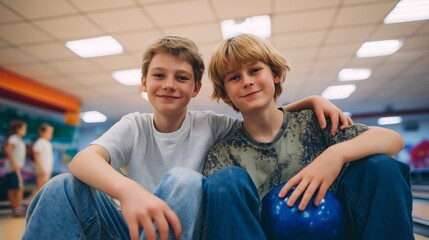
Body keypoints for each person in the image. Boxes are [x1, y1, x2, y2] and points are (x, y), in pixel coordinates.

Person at [24, 36, 351, 240]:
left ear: (195, 89)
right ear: (144, 83)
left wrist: (310, 103)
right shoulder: (134, 125)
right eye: (159, 76)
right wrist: (129, 191)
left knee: (185, 180)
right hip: (130, 230)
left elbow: (259, 114)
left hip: (181, 230)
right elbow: (83, 160)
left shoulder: (210, 124)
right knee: (60, 186)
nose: (169, 84)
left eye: (181, 78)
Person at [203, 33, 413, 240]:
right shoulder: (223, 154)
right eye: (234, 77)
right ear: (224, 94)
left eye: (254, 70)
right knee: (223, 180)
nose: (247, 81)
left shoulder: (315, 123)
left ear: (275, 74)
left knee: (381, 166)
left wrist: (336, 154)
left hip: (337, 232)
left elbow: (393, 140)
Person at [3, 120, 27, 217]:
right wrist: (14, 164)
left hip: (15, 168)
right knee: (17, 188)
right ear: (18, 129)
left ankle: (16, 209)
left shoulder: (18, 139)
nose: (25, 130)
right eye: (24, 128)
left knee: (16, 188)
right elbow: (8, 150)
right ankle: (17, 209)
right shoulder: (13, 138)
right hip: (12, 168)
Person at [27, 123, 54, 203]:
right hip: (42, 170)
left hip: (46, 170)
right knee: (40, 187)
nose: (50, 134)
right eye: (49, 132)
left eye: (51, 132)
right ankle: (29, 202)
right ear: (41, 132)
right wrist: (41, 168)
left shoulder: (46, 142)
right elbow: (36, 155)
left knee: (41, 187)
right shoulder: (40, 142)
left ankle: (32, 203)